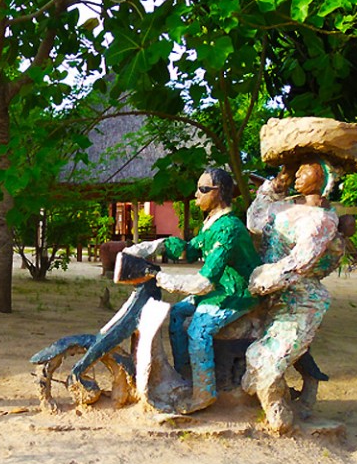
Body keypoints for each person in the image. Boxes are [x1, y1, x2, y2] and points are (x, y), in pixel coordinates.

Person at [123, 168, 261, 413]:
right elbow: (190, 250)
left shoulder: (229, 229)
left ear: (220, 193)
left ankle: (204, 393)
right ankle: (185, 373)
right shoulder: (211, 224)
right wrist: (154, 246)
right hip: (220, 289)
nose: (196, 194)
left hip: (236, 294)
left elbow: (203, 283)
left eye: (203, 189)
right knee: (177, 314)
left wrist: (160, 277)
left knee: (199, 330)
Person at [244, 158, 342, 432]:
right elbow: (254, 222)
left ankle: (280, 414)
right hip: (270, 296)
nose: (298, 174)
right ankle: (286, 398)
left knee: (267, 358)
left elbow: (301, 261)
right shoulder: (282, 207)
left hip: (301, 298)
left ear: (322, 177)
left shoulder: (321, 219)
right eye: (295, 169)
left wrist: (262, 280)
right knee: (252, 355)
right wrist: (274, 187)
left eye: (306, 170)